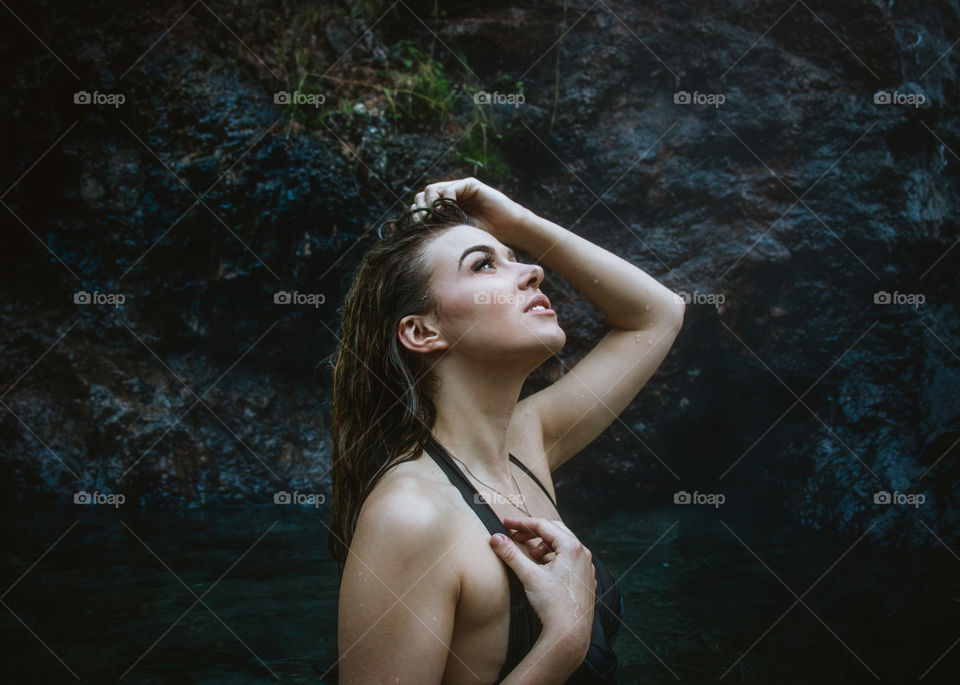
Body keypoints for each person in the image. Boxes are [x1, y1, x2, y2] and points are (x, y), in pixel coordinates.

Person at [328, 177, 684, 683]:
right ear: (422, 331)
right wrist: (563, 638)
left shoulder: (525, 443)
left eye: (515, 256)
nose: (534, 271)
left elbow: (658, 315)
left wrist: (517, 219)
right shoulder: (410, 515)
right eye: (483, 264)